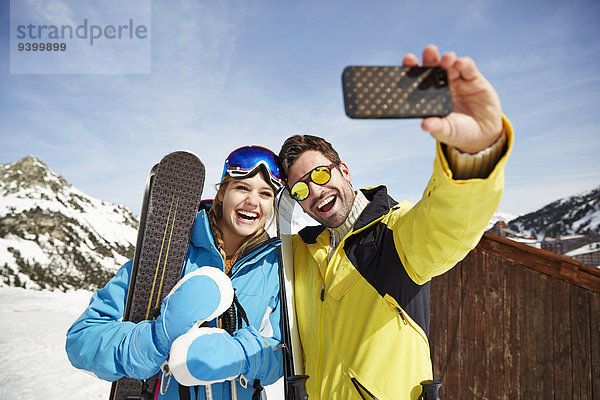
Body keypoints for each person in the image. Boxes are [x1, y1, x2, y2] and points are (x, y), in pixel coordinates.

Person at [278, 44, 514, 399]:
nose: (314, 191)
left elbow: (450, 225)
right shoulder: (299, 253)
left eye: (321, 174)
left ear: (344, 171)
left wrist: (472, 155)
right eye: (299, 189)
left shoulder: (394, 235)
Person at [66, 146, 285, 400]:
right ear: (223, 192)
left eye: (265, 193)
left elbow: (283, 353)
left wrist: (243, 355)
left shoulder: (273, 267)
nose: (253, 201)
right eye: (242, 188)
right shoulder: (167, 250)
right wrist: (156, 339)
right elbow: (81, 339)